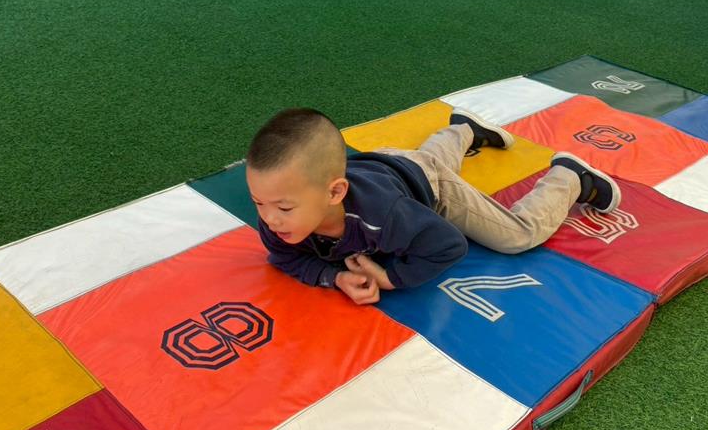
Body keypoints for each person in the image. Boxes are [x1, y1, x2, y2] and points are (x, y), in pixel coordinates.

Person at [246, 108, 620, 305]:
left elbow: (447, 245)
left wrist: (391, 278)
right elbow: (285, 258)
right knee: (425, 160)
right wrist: (336, 277)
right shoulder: (278, 218)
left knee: (517, 235)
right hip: (391, 166)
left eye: (283, 208)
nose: (269, 219)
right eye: (258, 202)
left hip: (427, 185)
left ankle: (571, 177)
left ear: (334, 193)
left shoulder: (386, 215)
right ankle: (465, 129)